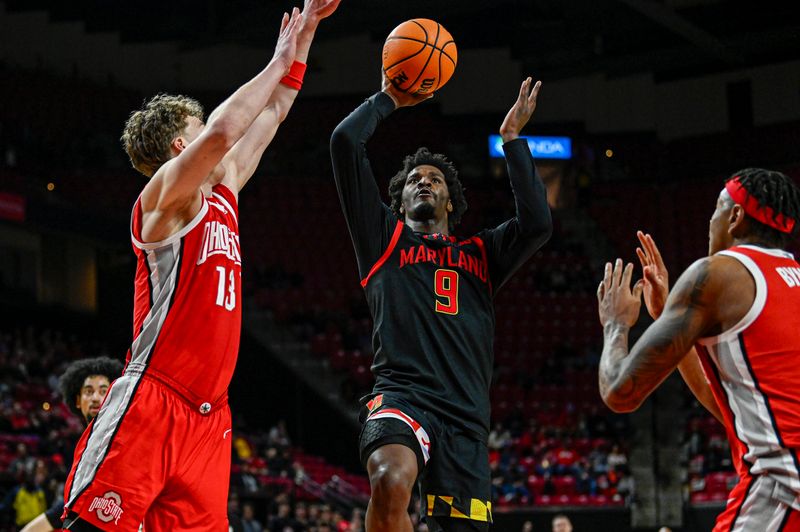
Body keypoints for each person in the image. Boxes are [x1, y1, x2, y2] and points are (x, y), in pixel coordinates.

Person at [60, 2, 340, 530]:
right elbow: (223, 131)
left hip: (211, 416)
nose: (220, 133)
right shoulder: (162, 196)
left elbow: (274, 112)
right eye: (201, 124)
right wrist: (276, 59)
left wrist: (303, 41)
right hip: (154, 397)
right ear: (180, 144)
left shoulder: (225, 189)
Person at [330, 73, 552, 531]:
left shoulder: (482, 255)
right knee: (391, 479)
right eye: (414, 179)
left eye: (435, 179)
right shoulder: (383, 241)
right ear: (400, 199)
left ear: (451, 201)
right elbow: (345, 141)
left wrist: (512, 140)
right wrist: (390, 98)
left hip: (466, 418)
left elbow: (537, 224)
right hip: (402, 396)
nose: (424, 182)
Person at [597, 168, 800, 530]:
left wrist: (615, 324)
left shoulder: (717, 274)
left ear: (735, 216)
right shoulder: (792, 278)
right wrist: (663, 315)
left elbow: (620, 392)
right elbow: (732, 410)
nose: (710, 222)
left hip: (783, 489)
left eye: (716, 210)